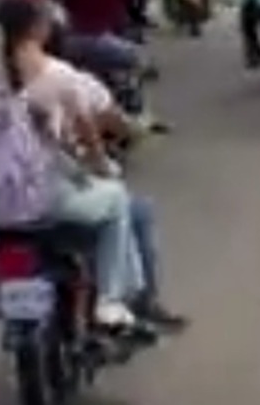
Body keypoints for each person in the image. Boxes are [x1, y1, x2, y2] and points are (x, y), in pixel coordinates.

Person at [0, 0, 147, 328]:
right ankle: (110, 300)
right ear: (41, 28)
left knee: (3, 227)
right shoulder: (59, 74)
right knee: (116, 200)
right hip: (43, 200)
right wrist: (101, 168)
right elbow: (88, 133)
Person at [69, 68, 187, 331]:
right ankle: (141, 300)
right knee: (133, 210)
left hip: (5, 206)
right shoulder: (73, 84)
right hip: (59, 195)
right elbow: (116, 126)